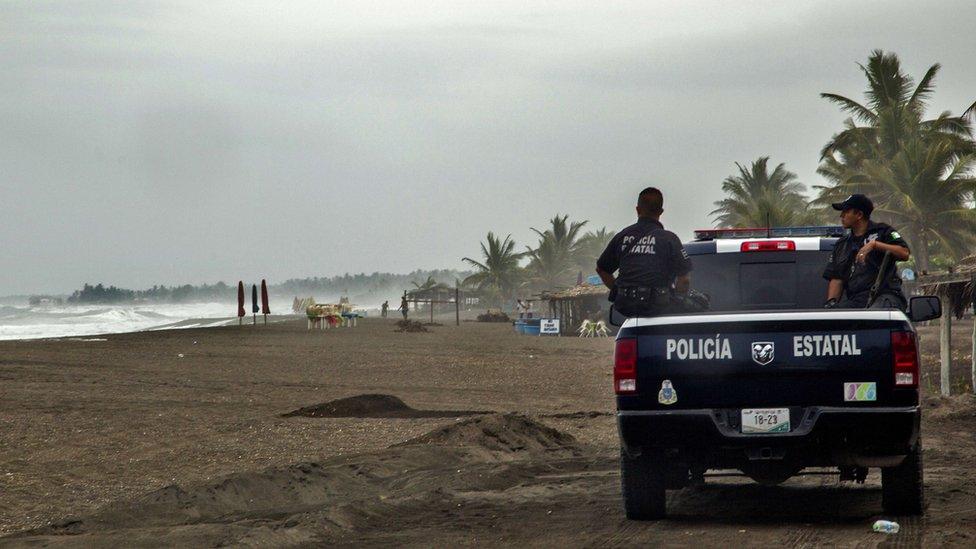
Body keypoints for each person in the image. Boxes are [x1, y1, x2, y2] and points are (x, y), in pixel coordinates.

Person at [596, 187, 699, 317]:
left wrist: (619, 291)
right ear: (661, 212)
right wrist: (677, 302)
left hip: (627, 312)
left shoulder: (622, 237)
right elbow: (684, 280)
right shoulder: (669, 239)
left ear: (637, 210)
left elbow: (602, 269)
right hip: (661, 312)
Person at [823, 194, 911, 309]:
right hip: (857, 300)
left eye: (846, 211)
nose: (841, 216)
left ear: (859, 214)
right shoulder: (842, 244)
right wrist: (831, 305)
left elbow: (904, 253)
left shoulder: (884, 231)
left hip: (886, 296)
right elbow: (836, 279)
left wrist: (875, 245)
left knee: (875, 316)